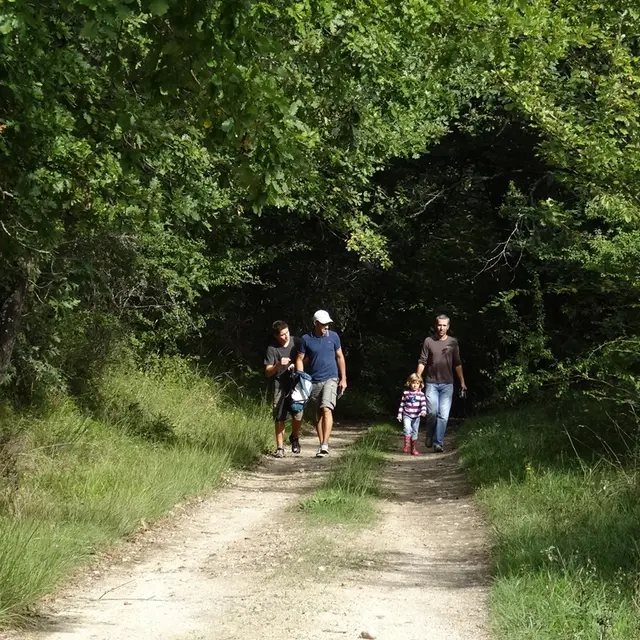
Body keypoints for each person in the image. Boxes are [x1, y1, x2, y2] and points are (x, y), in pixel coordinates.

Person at [295, 310, 347, 458]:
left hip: (331, 378)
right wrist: (301, 376)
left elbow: (340, 356)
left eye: (328, 324)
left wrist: (343, 378)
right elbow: (300, 359)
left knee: (326, 408)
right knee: (318, 413)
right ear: (315, 323)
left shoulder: (334, 337)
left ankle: (325, 444)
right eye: (324, 324)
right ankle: (321, 443)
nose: (326, 327)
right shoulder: (306, 339)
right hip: (313, 380)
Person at [416, 314, 467, 453]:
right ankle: (429, 434)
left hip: (447, 384)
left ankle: (438, 443)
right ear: (435, 325)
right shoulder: (428, 341)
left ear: (448, 327)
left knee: (443, 415)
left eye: (444, 325)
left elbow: (457, 363)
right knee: (432, 412)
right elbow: (422, 361)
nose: (441, 328)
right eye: (439, 325)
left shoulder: (453, 342)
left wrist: (462, 381)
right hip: (431, 383)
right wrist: (417, 379)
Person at [264, 320, 302, 457]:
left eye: (287, 333)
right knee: (279, 416)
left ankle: (295, 437)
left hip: (296, 385)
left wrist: (296, 365)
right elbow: (268, 371)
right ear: (276, 336)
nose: (286, 336)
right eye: (282, 334)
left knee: (298, 414)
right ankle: (280, 447)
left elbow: (307, 359)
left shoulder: (296, 342)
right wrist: (278, 365)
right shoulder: (272, 349)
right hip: (279, 385)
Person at [396, 373, 427, 456]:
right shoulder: (405, 393)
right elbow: (402, 404)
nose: (415, 385)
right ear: (409, 383)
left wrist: (423, 411)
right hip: (407, 415)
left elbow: (423, 405)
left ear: (420, 384)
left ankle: (413, 449)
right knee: (407, 428)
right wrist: (399, 415)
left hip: (416, 416)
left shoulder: (421, 395)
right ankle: (407, 445)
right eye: (413, 383)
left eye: (417, 383)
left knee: (415, 432)